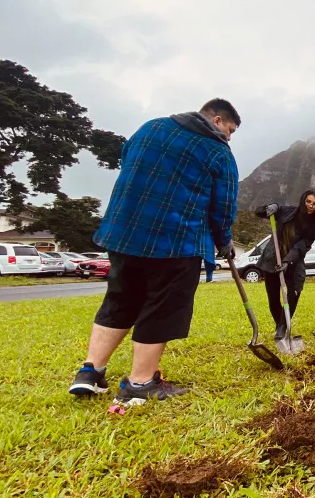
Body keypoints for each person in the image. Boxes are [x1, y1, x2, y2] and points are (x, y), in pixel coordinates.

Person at [68, 98, 240, 406]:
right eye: (230, 130)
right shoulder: (218, 152)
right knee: (161, 307)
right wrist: (223, 241)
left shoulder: (150, 128)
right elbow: (223, 206)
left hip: (125, 233)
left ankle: (90, 373)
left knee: (120, 299)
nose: (229, 137)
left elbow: (127, 162)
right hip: (176, 242)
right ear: (216, 121)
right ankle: (140, 383)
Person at [255, 191, 315, 339]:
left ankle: (283, 326)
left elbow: (301, 247)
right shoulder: (286, 212)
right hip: (273, 258)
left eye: (314, 204)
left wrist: (287, 262)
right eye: (308, 201)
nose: (311, 205)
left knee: (294, 293)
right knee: (273, 297)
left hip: (293, 261)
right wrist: (272, 207)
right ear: (303, 200)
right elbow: (259, 212)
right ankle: (280, 326)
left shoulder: (314, 226)